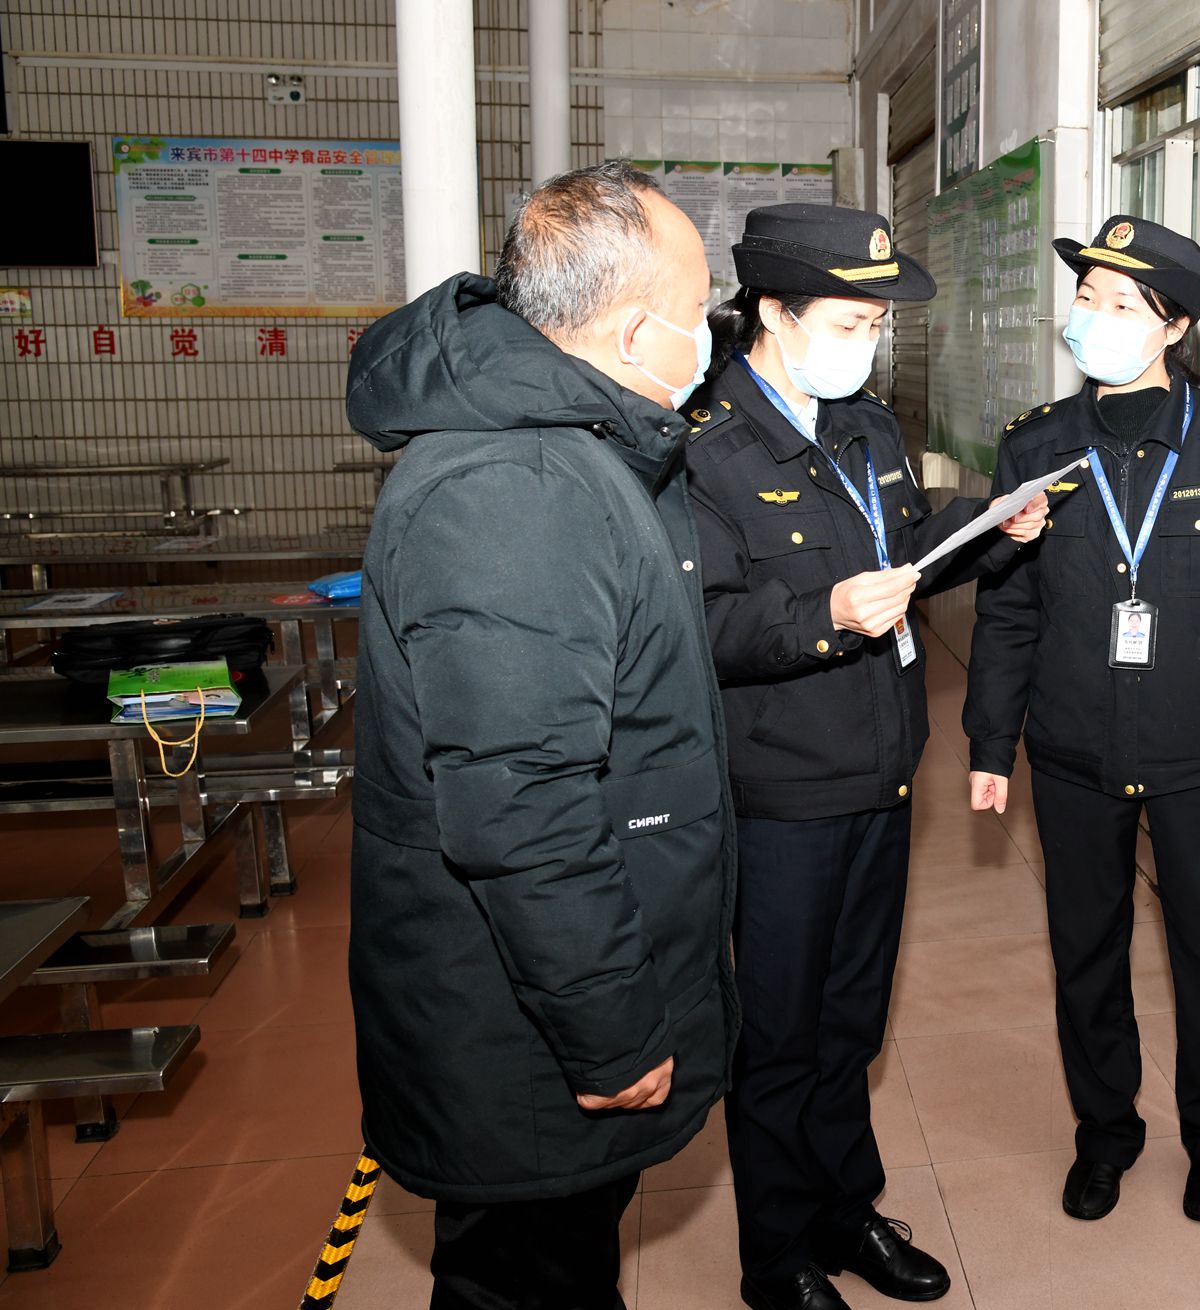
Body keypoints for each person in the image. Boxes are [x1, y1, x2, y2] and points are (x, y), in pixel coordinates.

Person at [345, 162, 734, 1309]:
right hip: (521, 1019)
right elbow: (521, 804)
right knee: (522, 1279)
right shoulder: (518, 482)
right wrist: (611, 1029)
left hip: (533, 992)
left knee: (558, 1265)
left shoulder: (567, 444)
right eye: (699, 308)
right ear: (629, 327)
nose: (708, 335)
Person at [681, 203, 1047, 1310]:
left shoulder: (865, 428)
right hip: (781, 789)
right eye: (847, 319)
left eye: (875, 322)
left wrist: (985, 526)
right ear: (772, 313)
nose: (867, 340)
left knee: (851, 1018)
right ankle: (776, 1250)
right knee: (781, 1031)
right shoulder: (703, 449)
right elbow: (694, 628)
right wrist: (820, 612)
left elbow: (899, 552)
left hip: (883, 775)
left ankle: (846, 1206)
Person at [962, 214, 1200, 1227]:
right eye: (1086, 298)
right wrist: (991, 741)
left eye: (1121, 305)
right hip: (1074, 751)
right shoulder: (1034, 446)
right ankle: (1104, 1133)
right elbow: (1009, 605)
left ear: (1172, 327)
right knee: (1085, 950)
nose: (1094, 318)